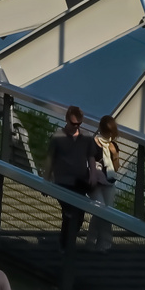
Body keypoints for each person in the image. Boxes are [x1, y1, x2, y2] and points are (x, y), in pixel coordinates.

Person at [45, 105, 102, 250]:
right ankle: (66, 246)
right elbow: (50, 159)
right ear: (66, 119)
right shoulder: (58, 137)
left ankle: (67, 243)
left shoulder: (86, 137)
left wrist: (93, 175)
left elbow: (91, 157)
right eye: (73, 123)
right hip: (63, 182)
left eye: (79, 124)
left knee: (78, 216)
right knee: (69, 213)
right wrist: (46, 180)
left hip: (80, 181)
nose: (76, 127)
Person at [86, 115, 120, 252]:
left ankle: (101, 243)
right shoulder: (93, 143)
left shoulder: (113, 145)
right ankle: (93, 241)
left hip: (109, 182)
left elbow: (116, 168)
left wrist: (115, 154)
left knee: (108, 212)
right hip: (95, 182)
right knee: (100, 209)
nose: (108, 135)